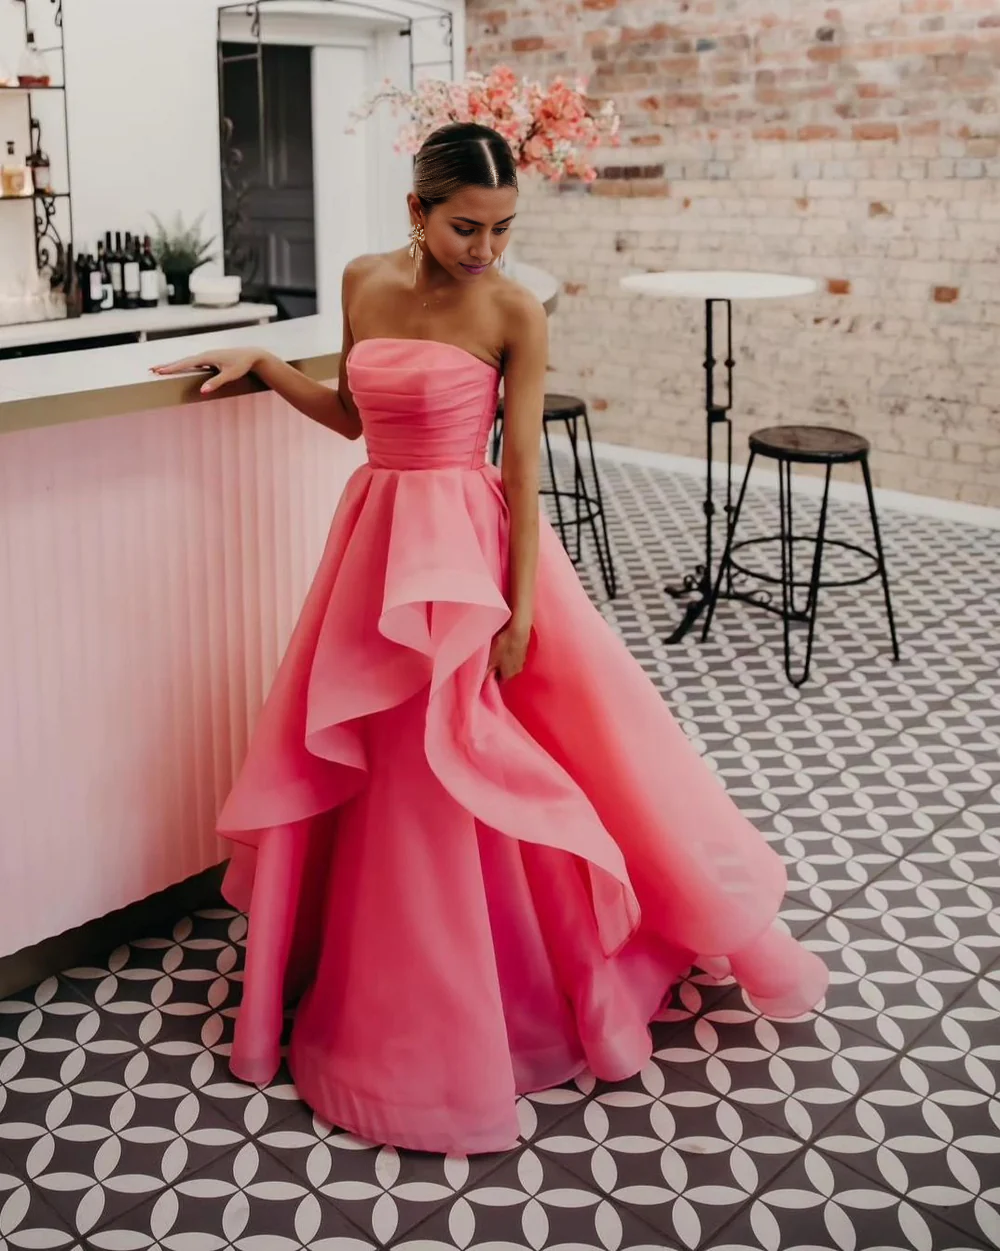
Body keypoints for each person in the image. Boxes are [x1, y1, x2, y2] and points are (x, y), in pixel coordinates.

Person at [153, 122, 828, 1156]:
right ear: (417, 211)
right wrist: (263, 364)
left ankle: (512, 985)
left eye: (504, 228)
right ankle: (384, 971)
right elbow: (349, 415)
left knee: (473, 762)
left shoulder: (513, 307)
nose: (488, 248)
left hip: (470, 552)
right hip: (375, 543)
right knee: (383, 763)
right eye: (467, 226)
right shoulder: (362, 281)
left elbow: (519, 475)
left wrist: (516, 612)